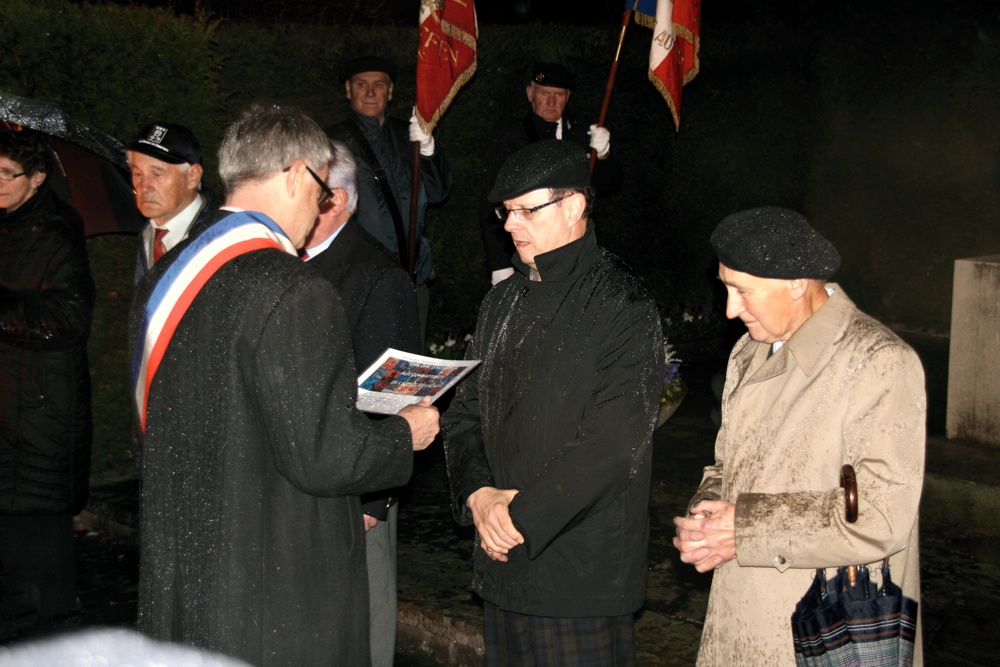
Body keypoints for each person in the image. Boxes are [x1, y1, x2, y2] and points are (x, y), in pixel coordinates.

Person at [128, 104, 440, 666]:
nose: (322, 206)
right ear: (298, 174)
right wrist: (404, 433)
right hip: (274, 595)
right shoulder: (294, 288)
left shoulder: (167, 277)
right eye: (322, 190)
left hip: (182, 578)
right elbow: (324, 456)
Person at [672, 207, 925, 666]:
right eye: (726, 287)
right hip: (741, 616)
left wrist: (744, 527)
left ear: (796, 283)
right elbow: (728, 464)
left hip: (831, 631)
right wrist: (707, 511)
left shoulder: (879, 361)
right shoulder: (749, 351)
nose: (730, 308)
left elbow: (883, 516)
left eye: (743, 291)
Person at [443, 140, 663, 666]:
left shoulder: (623, 305)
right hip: (502, 562)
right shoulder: (501, 302)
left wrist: (518, 515)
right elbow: (464, 414)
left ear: (574, 206)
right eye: (505, 212)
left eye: (525, 209)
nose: (510, 225)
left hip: (579, 572)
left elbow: (613, 446)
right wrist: (477, 495)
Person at [302, 139, 421, 667]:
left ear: (339, 201)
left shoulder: (377, 276)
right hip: (307, 472)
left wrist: (374, 500)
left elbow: (394, 395)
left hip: (359, 487)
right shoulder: (287, 258)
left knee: (363, 621)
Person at [0, 127, 94, 633]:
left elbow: (70, 317)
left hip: (39, 420)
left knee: (39, 571)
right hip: (7, 411)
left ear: (37, 179)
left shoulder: (57, 230)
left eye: (6, 175)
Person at [328, 55, 452, 343]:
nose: (370, 92)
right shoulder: (331, 141)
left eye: (379, 84)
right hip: (360, 283)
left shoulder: (409, 135)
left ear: (390, 91)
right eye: (361, 84)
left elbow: (439, 192)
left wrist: (429, 150)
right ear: (348, 89)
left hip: (412, 277)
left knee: (410, 370)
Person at [480, 62, 623, 286]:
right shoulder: (511, 137)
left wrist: (603, 155)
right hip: (530, 255)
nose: (551, 101)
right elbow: (492, 203)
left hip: (579, 253)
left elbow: (608, 185)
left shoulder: (583, 134)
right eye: (544, 93)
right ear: (530, 94)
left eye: (559, 94)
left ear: (568, 97)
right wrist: (500, 265)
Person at [126, 122, 218, 282]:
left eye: (157, 174)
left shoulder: (220, 239)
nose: (144, 187)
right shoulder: (148, 235)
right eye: (138, 174)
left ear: (193, 177)